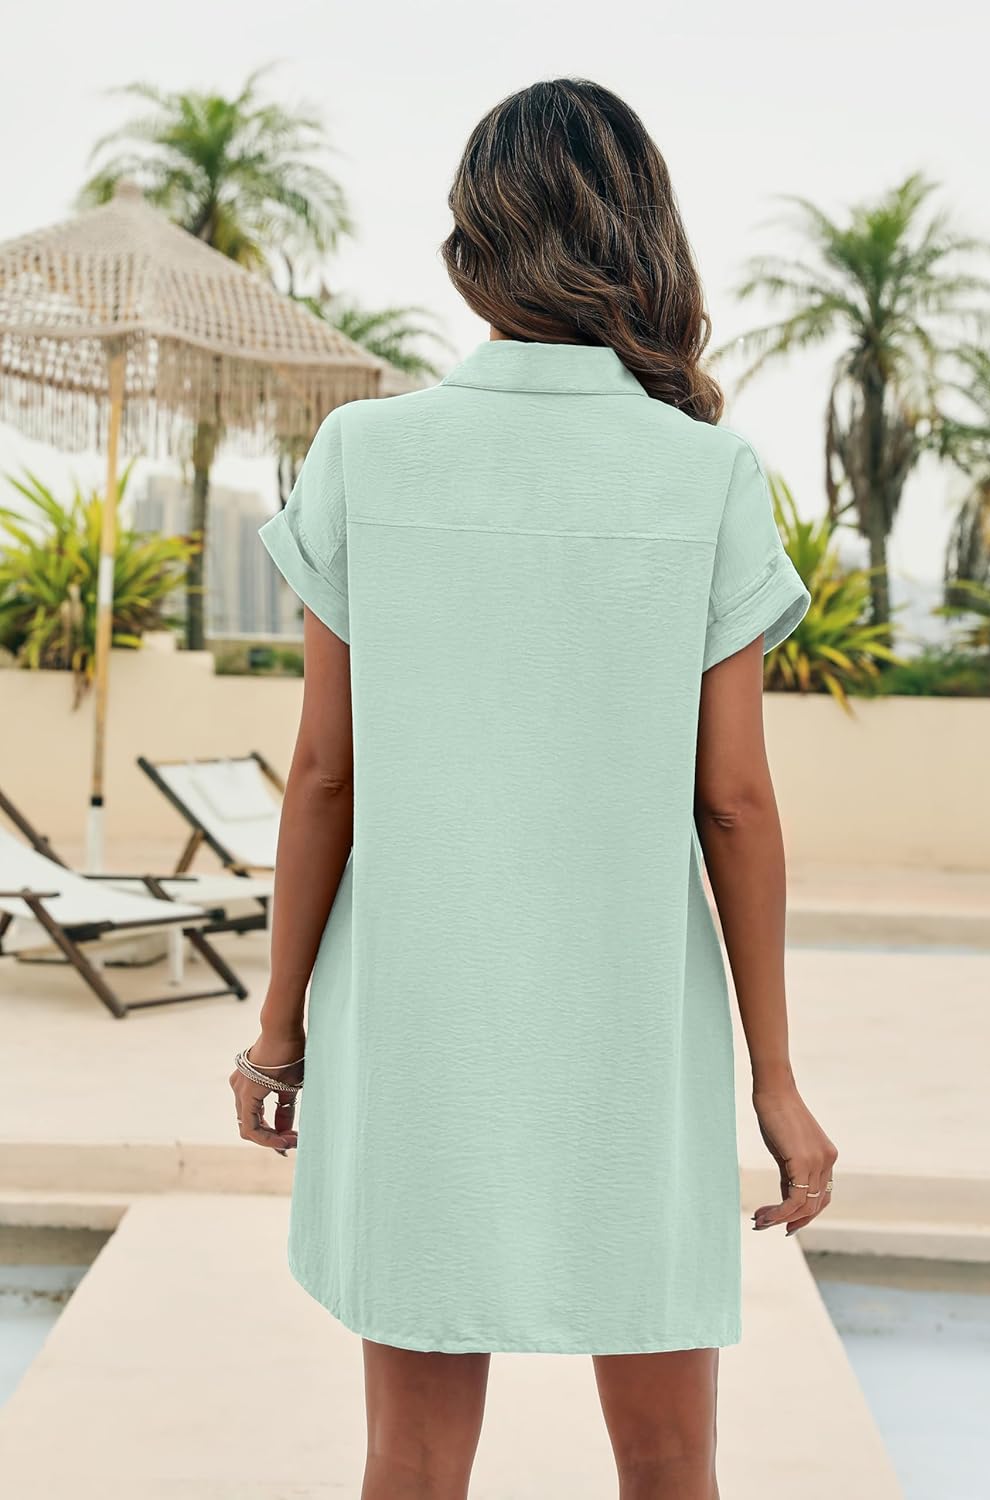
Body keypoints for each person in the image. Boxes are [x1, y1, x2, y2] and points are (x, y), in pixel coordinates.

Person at [231, 77, 838, 1500]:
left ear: (471, 249)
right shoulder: (707, 475)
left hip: (417, 1036)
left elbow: (324, 775)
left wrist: (278, 1035)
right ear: (644, 242)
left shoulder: (365, 453)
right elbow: (735, 804)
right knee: (671, 1464)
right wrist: (776, 1081)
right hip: (632, 1043)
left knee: (411, 1463)